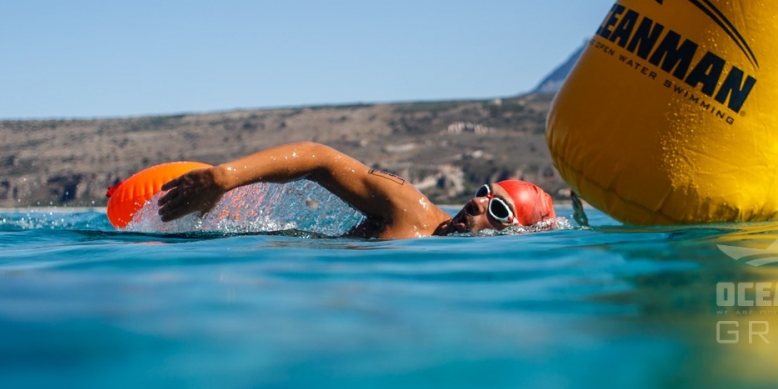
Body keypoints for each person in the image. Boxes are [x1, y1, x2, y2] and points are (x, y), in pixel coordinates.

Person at [157, 141, 556, 239]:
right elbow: (319, 158)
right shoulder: (410, 210)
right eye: (485, 191)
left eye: (498, 210)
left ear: (512, 233)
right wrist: (224, 178)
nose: (478, 202)